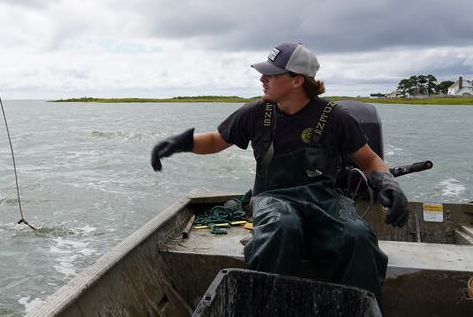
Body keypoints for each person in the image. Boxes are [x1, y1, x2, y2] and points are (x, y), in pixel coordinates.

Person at [150, 42, 408, 301]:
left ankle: (357, 315)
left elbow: (369, 159)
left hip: (324, 201)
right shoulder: (255, 113)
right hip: (274, 198)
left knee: (357, 235)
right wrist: (181, 142)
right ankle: (266, 313)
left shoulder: (335, 117)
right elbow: (217, 140)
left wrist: (387, 183)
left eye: (272, 74)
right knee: (282, 226)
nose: (262, 79)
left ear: (297, 80)